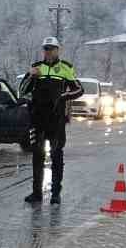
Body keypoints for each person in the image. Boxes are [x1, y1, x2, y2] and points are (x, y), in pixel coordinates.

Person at [18, 37, 83, 205]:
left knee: (56, 156)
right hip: (38, 119)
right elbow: (22, 90)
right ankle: (36, 193)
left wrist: (62, 97)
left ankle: (55, 193)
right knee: (37, 156)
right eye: (46, 49)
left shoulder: (65, 68)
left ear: (57, 50)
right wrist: (32, 77)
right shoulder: (36, 67)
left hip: (56, 120)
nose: (48, 52)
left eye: (52, 48)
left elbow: (79, 89)